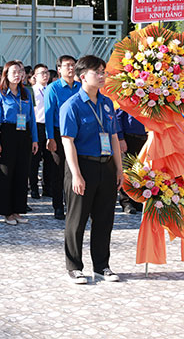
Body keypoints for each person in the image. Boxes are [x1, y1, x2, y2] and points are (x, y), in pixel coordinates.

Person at [60, 55, 122, 284]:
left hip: (105, 166)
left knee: (105, 219)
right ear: (82, 76)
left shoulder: (106, 103)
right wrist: (76, 174)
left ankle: (102, 266)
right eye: (98, 71)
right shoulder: (72, 105)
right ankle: (74, 266)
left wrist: (119, 168)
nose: (102, 75)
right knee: (77, 220)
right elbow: (68, 141)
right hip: (82, 166)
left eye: (103, 71)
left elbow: (114, 137)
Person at [0, 61, 39, 225]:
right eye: (14, 71)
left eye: (20, 71)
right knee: (7, 174)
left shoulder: (26, 93)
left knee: (21, 173)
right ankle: (7, 212)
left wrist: (35, 139)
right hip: (7, 134)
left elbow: (32, 118)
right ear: (6, 74)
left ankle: (18, 210)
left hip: (24, 134)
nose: (18, 74)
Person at [44, 55, 81, 220]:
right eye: (67, 66)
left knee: (76, 171)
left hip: (78, 136)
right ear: (59, 69)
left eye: (73, 65)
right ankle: (58, 206)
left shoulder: (81, 87)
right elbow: (48, 114)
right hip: (59, 135)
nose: (71, 69)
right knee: (59, 172)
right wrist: (50, 138)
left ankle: (73, 205)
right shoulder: (53, 88)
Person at [115, 110, 146, 214]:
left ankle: (138, 199)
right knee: (127, 171)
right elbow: (118, 116)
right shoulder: (127, 95)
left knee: (141, 171)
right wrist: (120, 138)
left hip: (146, 136)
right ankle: (126, 202)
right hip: (129, 136)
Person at [30, 64, 53, 199]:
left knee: (49, 159)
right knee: (34, 159)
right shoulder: (32, 91)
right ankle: (33, 188)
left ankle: (47, 187)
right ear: (35, 76)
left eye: (47, 72)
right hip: (37, 125)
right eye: (42, 73)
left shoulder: (51, 89)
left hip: (49, 125)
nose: (45, 75)